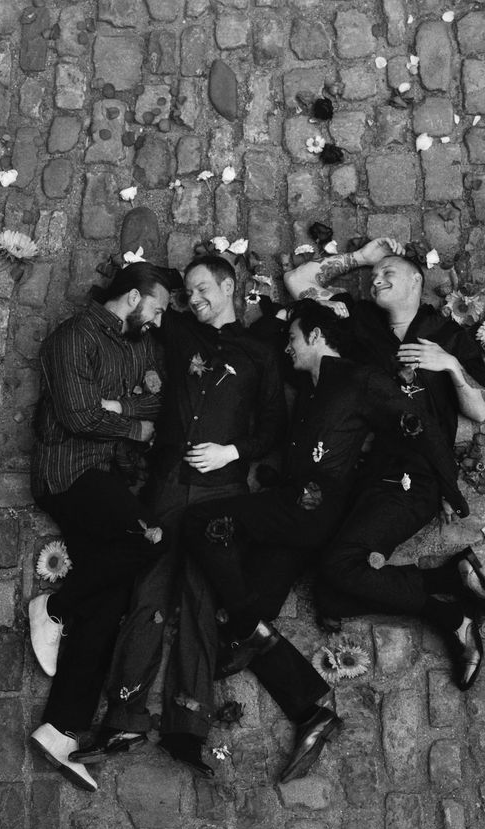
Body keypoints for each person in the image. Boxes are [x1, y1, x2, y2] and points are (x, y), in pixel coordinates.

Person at [182, 300, 467, 782]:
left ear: (316, 337)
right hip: (295, 518)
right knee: (251, 608)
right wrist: (279, 314)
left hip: (309, 510)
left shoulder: (358, 379)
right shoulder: (308, 387)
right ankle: (311, 712)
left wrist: (452, 490)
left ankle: (253, 632)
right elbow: (271, 347)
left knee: (198, 522)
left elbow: (418, 423)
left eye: (294, 338)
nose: (288, 348)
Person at [69, 255, 286, 777]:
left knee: (200, 601)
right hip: (166, 485)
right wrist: (159, 281)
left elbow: (276, 427)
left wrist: (232, 453)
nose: (195, 297)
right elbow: (141, 291)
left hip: (221, 491)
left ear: (230, 286)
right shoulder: (180, 329)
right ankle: (122, 717)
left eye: (204, 287)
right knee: (147, 594)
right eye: (188, 290)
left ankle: (186, 729)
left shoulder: (260, 352)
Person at [284, 240, 485, 692]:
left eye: (388, 271)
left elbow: (481, 410)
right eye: (374, 275)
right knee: (330, 590)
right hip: (362, 472)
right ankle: (451, 580)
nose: (377, 279)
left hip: (418, 475)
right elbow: (298, 283)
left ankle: (452, 612)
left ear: (416, 281)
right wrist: (359, 259)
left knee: (338, 574)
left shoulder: (448, 336)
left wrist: (447, 366)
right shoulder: (361, 323)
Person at [28, 262, 170, 791]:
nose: (156, 322)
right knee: (149, 537)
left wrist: (118, 404)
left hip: (106, 477)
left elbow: (159, 398)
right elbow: (77, 416)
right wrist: (132, 422)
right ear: (133, 297)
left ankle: (61, 730)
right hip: (69, 473)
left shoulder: (138, 346)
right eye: (155, 310)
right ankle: (55, 606)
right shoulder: (73, 337)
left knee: (109, 604)